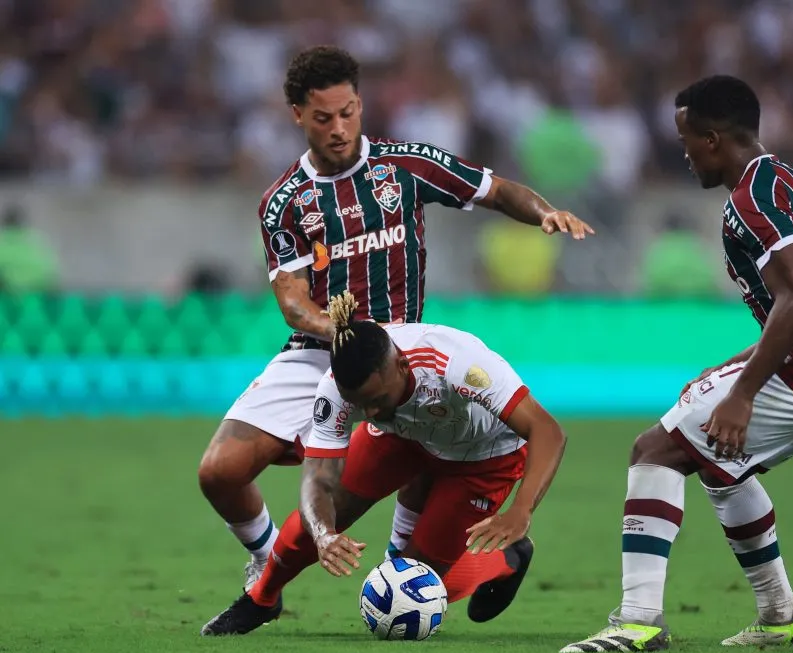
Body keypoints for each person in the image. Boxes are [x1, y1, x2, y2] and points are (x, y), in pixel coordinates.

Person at [196, 46, 593, 594]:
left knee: (423, 540)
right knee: (219, 471)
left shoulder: (404, 166)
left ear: (360, 105)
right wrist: (333, 330)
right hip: (320, 351)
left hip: (397, 364)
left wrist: (544, 211)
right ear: (296, 115)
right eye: (322, 117)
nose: (338, 128)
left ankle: (480, 561)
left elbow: (496, 190)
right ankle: (266, 558)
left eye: (348, 112)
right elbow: (291, 298)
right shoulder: (283, 202)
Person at [560, 76, 793, 653]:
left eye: (686, 141)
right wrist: (732, 374)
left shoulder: (750, 200)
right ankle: (780, 615)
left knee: (652, 450)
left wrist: (741, 394)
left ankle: (636, 620)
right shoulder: (784, 181)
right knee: (719, 459)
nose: (683, 154)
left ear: (712, 139)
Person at [201, 292, 568, 635]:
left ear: (403, 365)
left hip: (482, 457)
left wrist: (521, 509)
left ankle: (507, 560)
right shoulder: (336, 389)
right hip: (403, 436)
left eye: (376, 399)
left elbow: (548, 431)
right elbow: (317, 481)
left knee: (414, 584)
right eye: (362, 404)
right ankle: (261, 599)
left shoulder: (459, 364)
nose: (371, 411)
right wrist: (323, 533)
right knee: (324, 515)